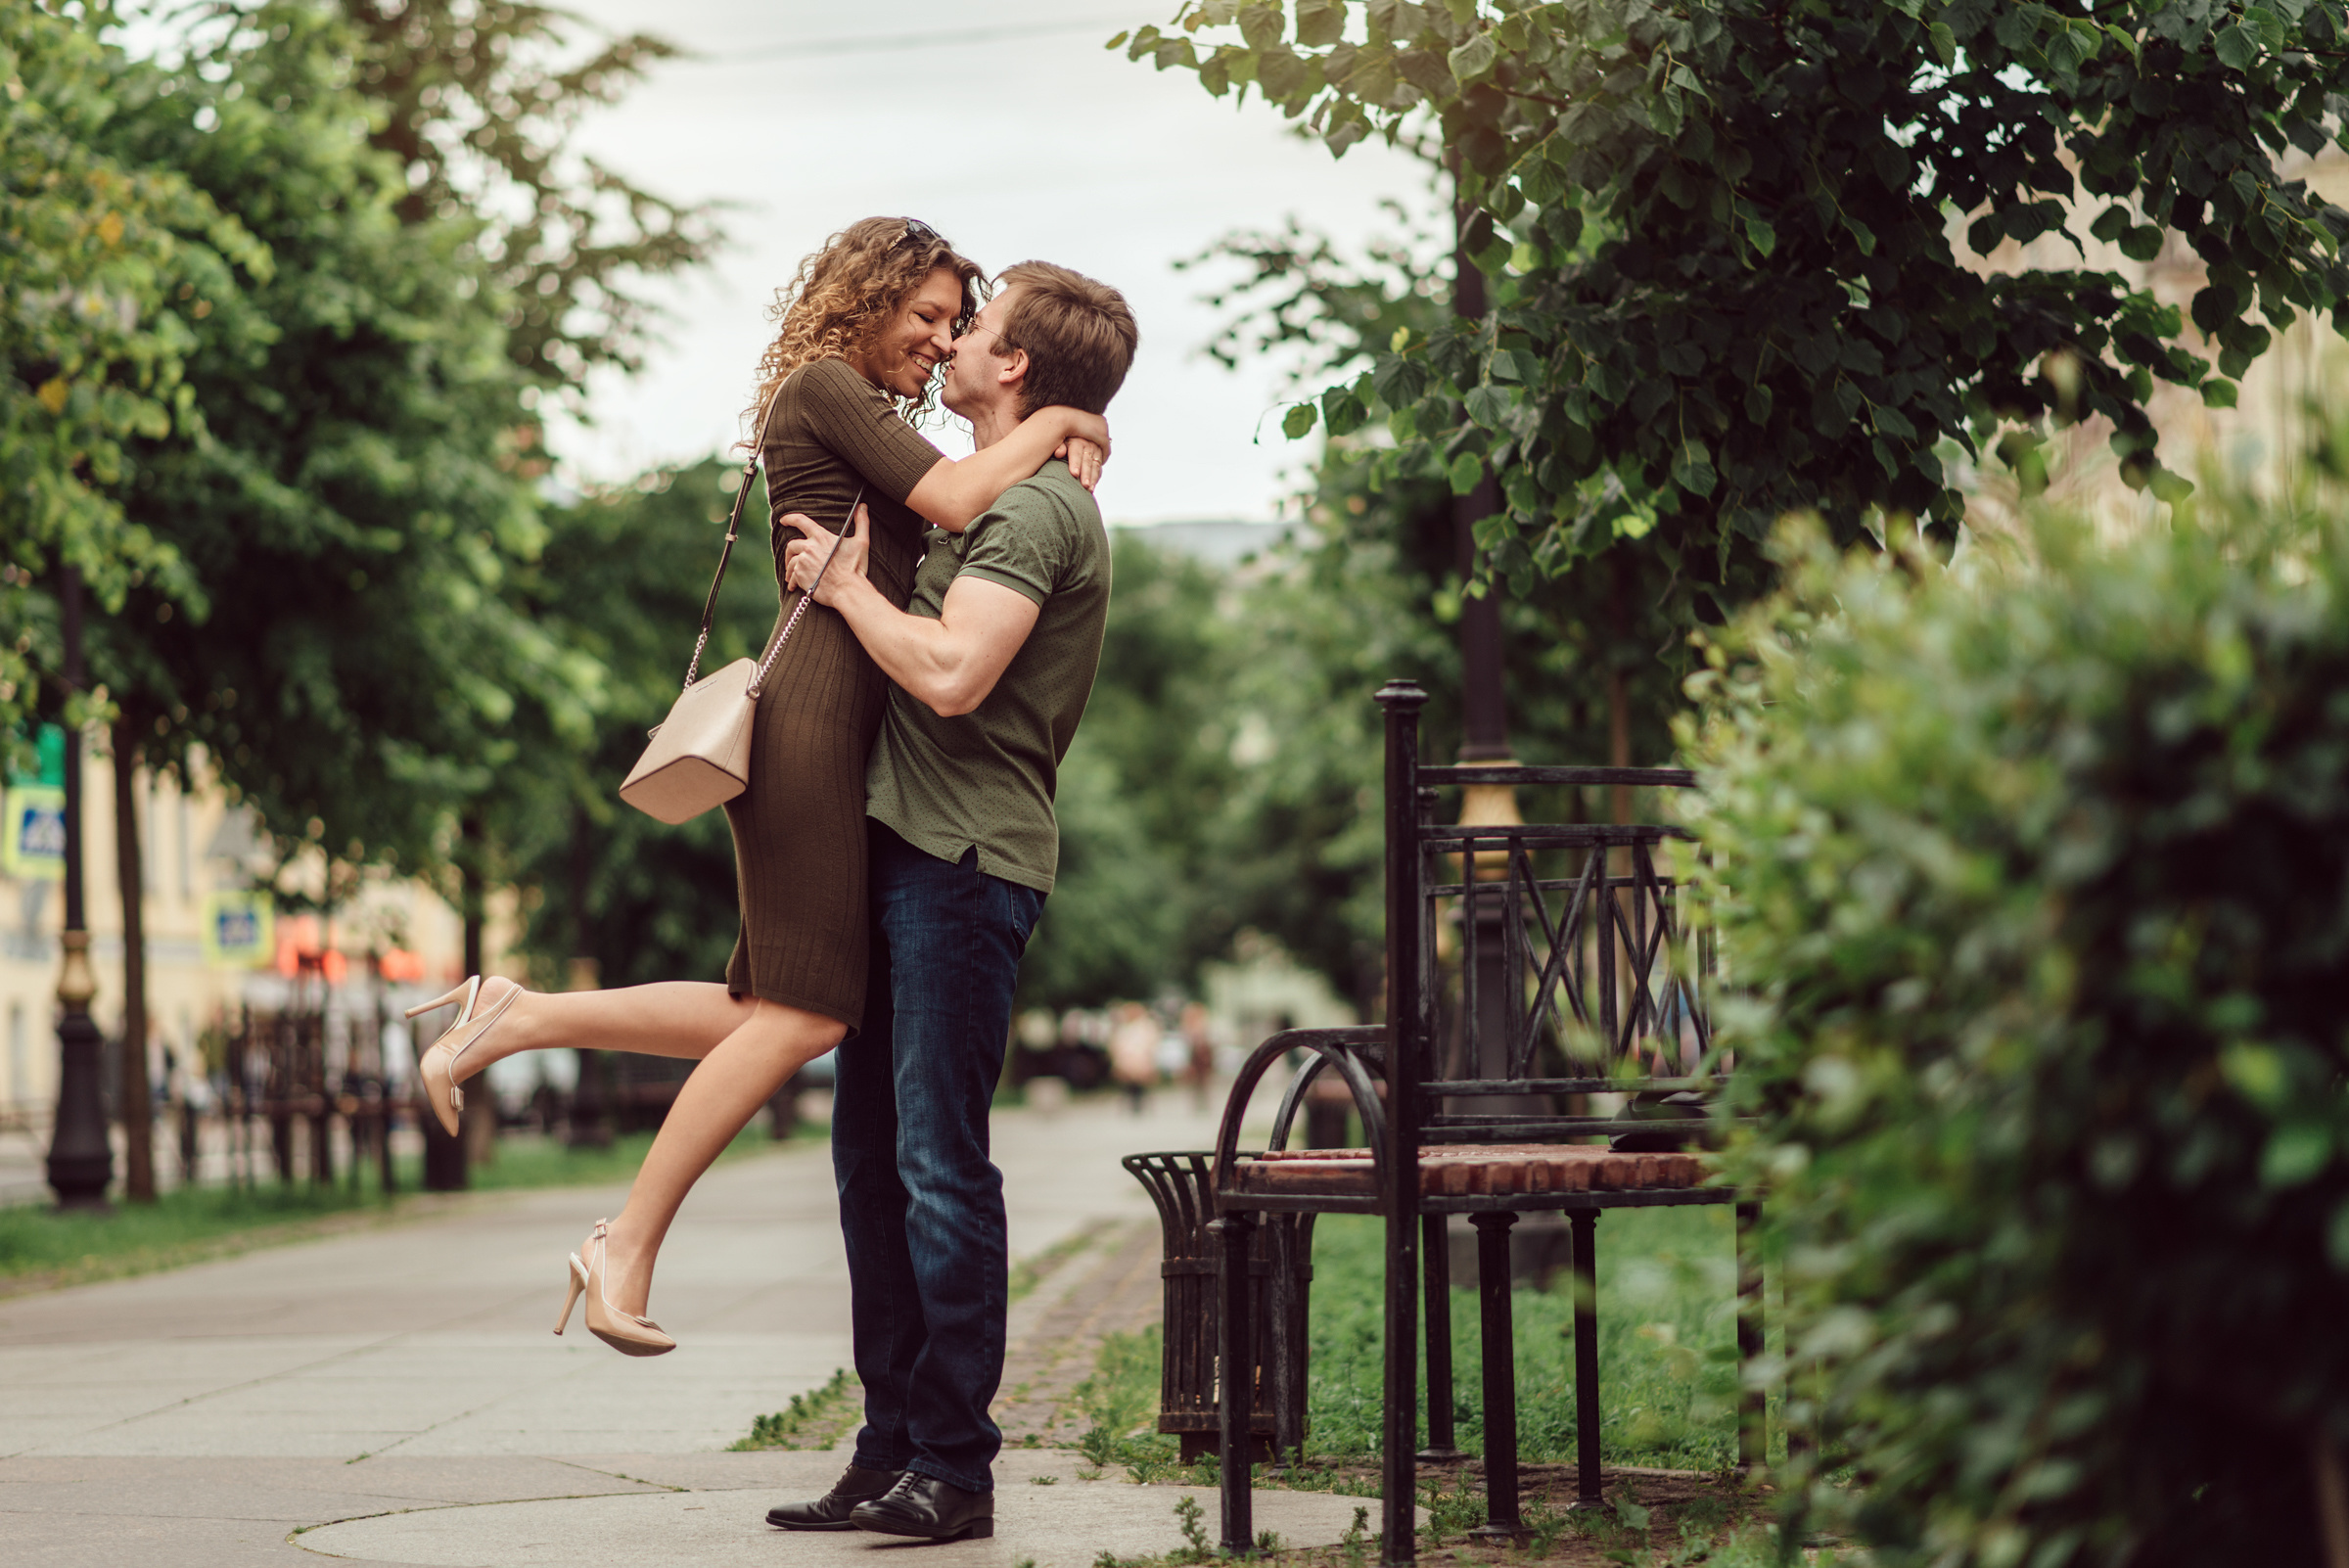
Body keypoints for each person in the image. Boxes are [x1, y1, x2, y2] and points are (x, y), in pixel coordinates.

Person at [400, 219, 1111, 1357]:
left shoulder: (857, 407)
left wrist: (1057, 427)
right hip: (818, 719)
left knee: (769, 1008)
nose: (937, 342)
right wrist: (1070, 422)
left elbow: (962, 492)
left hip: (833, 723)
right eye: (923, 316)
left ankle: (518, 1017)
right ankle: (626, 1236)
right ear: (866, 298)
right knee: (812, 1014)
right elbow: (958, 502)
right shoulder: (827, 387)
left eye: (953, 323)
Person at [762, 260, 1137, 1543]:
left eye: (975, 326)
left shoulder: (1034, 514)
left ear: (1017, 364)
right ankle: (887, 1446)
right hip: (900, 853)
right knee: (872, 1159)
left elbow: (954, 670)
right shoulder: (995, 486)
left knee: (936, 1160)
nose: (956, 339)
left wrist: (847, 586)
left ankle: (956, 1467)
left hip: (963, 864)